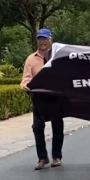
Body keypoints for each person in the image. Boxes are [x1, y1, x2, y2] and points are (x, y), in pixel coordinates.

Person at [21, 28, 65, 170]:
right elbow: (26, 78)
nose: (42, 42)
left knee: (57, 126)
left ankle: (56, 157)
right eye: (40, 39)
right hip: (39, 98)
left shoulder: (58, 56)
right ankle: (42, 158)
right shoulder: (31, 59)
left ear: (51, 40)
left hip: (55, 97)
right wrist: (25, 85)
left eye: (45, 39)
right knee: (37, 127)